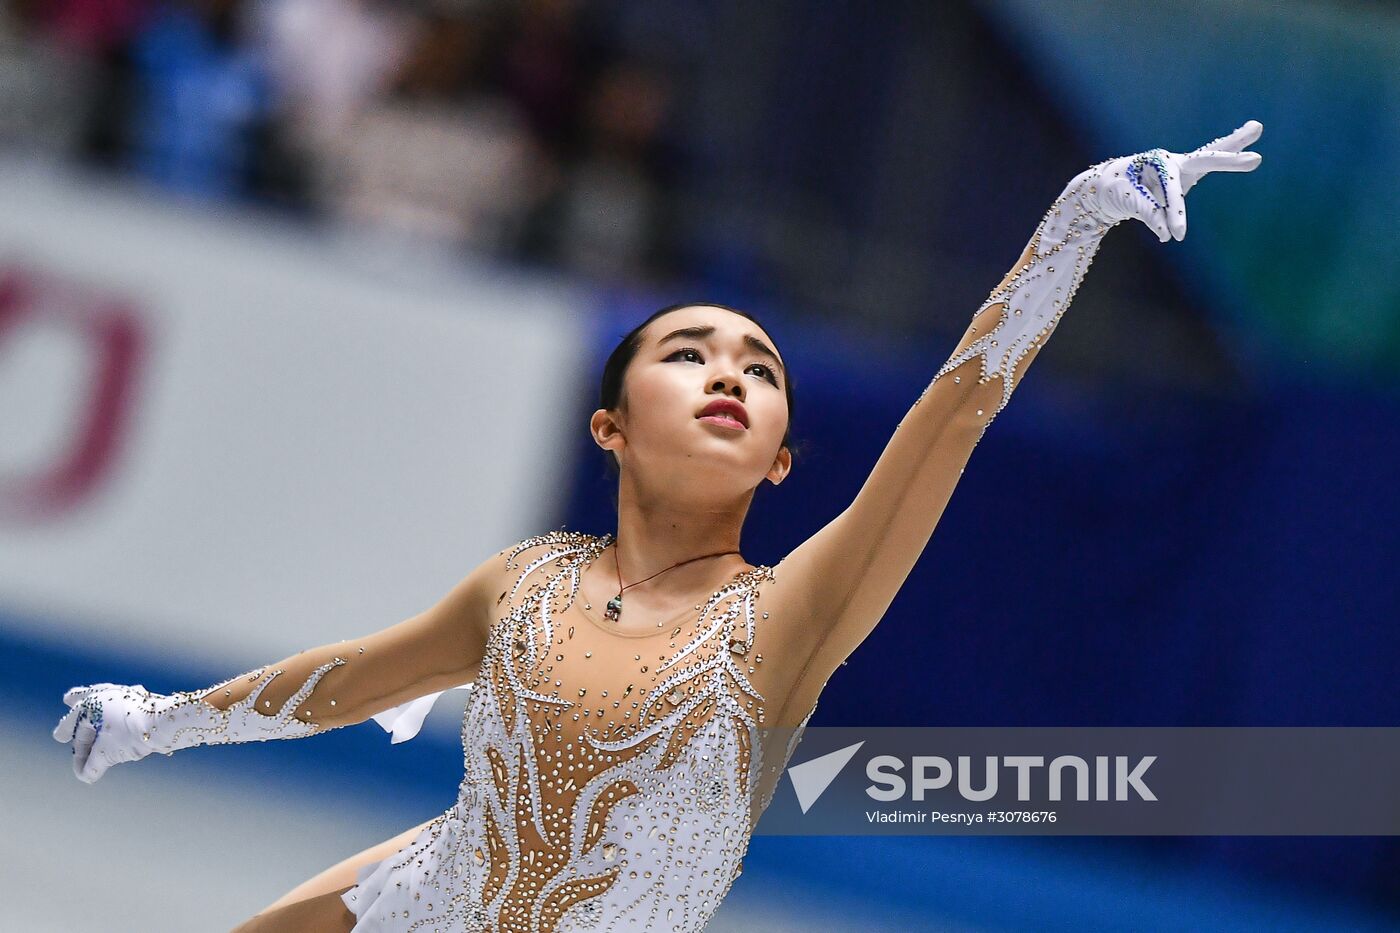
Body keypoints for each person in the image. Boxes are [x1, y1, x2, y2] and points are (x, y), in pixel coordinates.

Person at [53, 122, 1264, 932]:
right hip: (418, 899)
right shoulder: (527, 582)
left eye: (758, 366)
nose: (726, 373)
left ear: (782, 456)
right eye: (686, 354)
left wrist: (1078, 216)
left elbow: (953, 412)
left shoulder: (790, 618)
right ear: (610, 428)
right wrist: (155, 725)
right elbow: (353, 676)